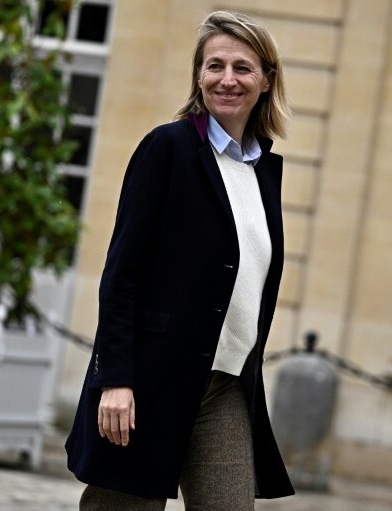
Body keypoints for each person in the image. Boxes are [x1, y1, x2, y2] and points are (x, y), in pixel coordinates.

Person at [65, 10, 295, 511]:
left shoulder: (262, 170)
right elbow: (122, 275)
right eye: (214, 66)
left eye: (242, 68)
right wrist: (117, 379)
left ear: (266, 80)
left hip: (226, 388)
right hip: (149, 382)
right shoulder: (167, 149)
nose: (227, 79)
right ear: (198, 75)